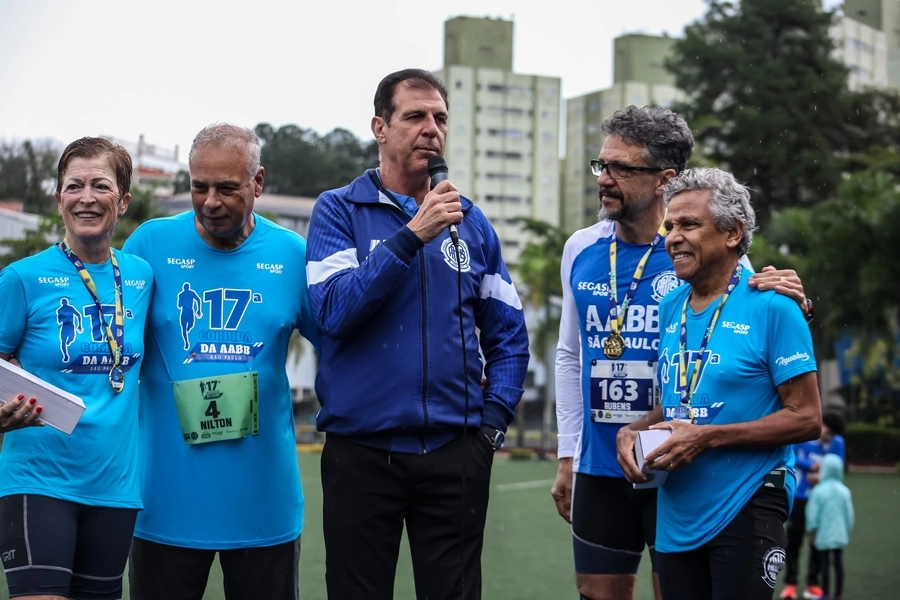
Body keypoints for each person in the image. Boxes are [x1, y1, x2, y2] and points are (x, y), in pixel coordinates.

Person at [551, 106, 809, 600]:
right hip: (603, 462)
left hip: (680, 467)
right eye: (601, 165)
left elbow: (761, 312)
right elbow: (568, 354)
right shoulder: (580, 248)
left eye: (621, 169)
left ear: (665, 180)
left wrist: (800, 301)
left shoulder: (709, 254)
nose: (604, 179)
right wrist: (568, 453)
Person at [306, 68, 529, 599]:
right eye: (415, 117)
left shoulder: (473, 223)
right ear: (380, 127)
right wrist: (411, 236)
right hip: (360, 453)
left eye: (440, 118)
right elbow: (334, 311)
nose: (431, 128)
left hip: (455, 453)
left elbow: (509, 337)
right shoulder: (338, 209)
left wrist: (491, 425)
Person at [123, 123, 318, 600]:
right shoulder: (148, 245)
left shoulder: (293, 255)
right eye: (198, 186)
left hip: (263, 508)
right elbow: (111, 346)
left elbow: (342, 347)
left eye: (228, 188)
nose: (211, 201)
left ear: (258, 182)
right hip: (163, 506)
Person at [616, 167, 822, 600]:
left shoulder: (774, 306)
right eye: (669, 226)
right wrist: (635, 430)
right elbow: (678, 404)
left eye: (689, 224)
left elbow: (806, 419)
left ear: (732, 233)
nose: (673, 236)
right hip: (676, 509)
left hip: (747, 501)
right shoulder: (670, 306)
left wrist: (706, 438)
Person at [0, 137, 153, 600]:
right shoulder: (22, 279)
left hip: (115, 488)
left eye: (100, 185)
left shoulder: (142, 277)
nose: (86, 197)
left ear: (122, 200)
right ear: (59, 198)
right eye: (74, 185)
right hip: (38, 480)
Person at [782, 412, 847, 600]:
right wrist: (811, 465)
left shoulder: (836, 442)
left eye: (827, 429)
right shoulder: (804, 434)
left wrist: (822, 475)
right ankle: (790, 584)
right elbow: (790, 454)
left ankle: (813, 584)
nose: (823, 431)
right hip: (800, 496)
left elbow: (837, 465)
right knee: (794, 540)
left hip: (821, 498)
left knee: (819, 541)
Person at [805, 453, 853, 600]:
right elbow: (849, 515)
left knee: (824, 565)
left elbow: (813, 514)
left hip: (823, 534)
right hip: (840, 533)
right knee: (838, 565)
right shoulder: (844, 491)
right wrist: (847, 530)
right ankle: (839, 594)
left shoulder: (818, 491)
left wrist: (811, 531)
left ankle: (825, 594)